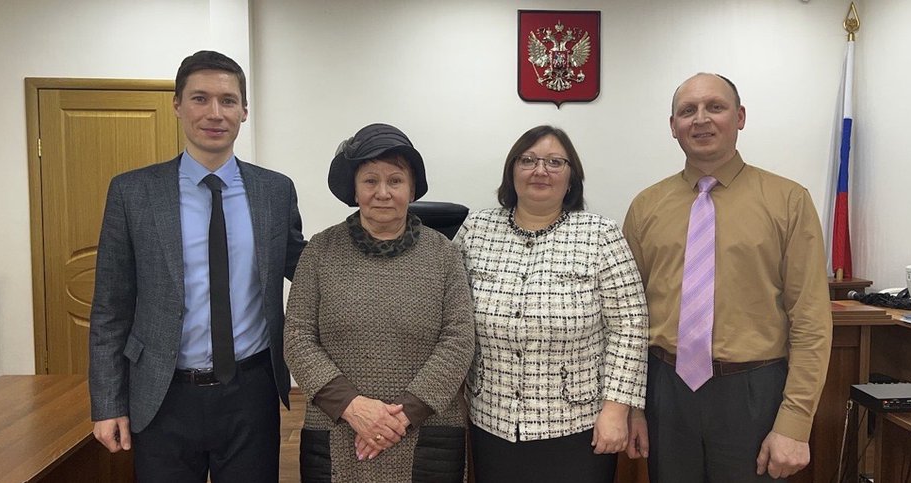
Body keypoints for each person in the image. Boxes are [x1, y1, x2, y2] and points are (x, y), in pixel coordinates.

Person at [89, 50, 306, 482]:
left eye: (228, 100)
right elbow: (110, 308)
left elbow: (305, 267)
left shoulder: (274, 191)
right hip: (162, 392)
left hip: (251, 391)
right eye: (200, 98)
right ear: (177, 105)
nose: (214, 112)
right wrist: (109, 403)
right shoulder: (133, 193)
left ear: (244, 110)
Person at [622, 73, 832, 482]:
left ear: (739, 117)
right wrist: (632, 405)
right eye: (687, 111)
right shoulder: (646, 207)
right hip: (666, 389)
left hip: (754, 392)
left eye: (714, 107)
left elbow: (810, 320)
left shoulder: (788, 201)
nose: (701, 119)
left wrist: (794, 422)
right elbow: (628, 319)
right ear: (673, 126)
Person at [455, 125, 649, 483]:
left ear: (572, 177)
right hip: (492, 419)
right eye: (528, 160)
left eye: (554, 162)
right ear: (511, 171)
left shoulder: (600, 235)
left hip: (578, 424)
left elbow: (630, 326)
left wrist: (616, 408)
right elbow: (450, 313)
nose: (540, 170)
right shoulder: (476, 230)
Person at [284, 123, 475, 482]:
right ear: (354, 190)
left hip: (429, 428)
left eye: (395, 181)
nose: (383, 192)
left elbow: (459, 341)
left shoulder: (444, 255)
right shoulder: (320, 252)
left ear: (412, 188)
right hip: (337, 425)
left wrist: (399, 418)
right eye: (370, 181)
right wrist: (354, 409)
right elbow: (297, 338)